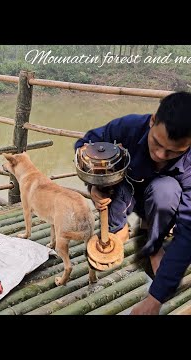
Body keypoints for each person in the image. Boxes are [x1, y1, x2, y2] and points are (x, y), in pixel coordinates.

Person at [75, 91, 191, 315]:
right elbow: (85, 145)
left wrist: (155, 299)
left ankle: (154, 243)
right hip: (126, 190)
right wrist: (94, 187)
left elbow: (187, 232)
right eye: (156, 142)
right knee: (115, 179)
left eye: (173, 151)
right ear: (152, 120)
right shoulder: (128, 127)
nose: (160, 154)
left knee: (165, 190)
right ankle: (120, 228)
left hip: (162, 204)